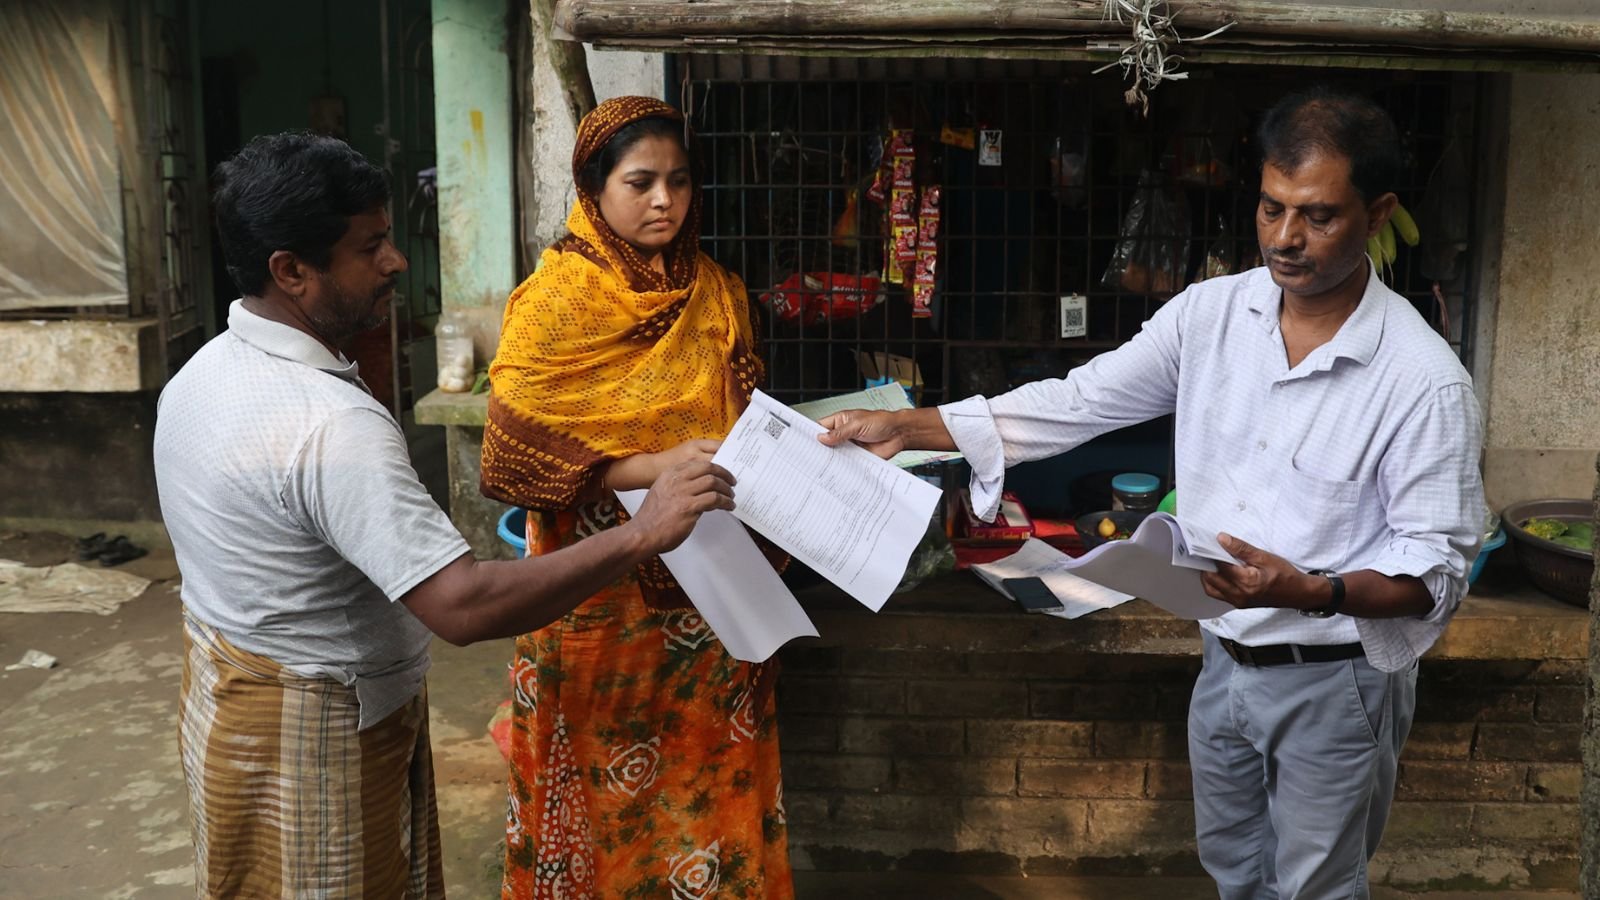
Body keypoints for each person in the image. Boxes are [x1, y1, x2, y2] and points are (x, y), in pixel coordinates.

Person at [820, 87, 1484, 898]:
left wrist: (1312, 590)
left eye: (1319, 216)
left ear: (1378, 214)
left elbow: (1435, 570)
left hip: (1335, 679)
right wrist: (911, 426)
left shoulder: (1421, 380)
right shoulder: (1210, 316)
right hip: (1224, 661)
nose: (1285, 238)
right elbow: (1079, 401)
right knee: (1234, 868)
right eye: (1271, 208)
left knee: (1316, 886)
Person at [153, 131, 735, 899]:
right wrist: (645, 531)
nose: (397, 262)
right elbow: (461, 605)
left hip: (230, 700)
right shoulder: (331, 426)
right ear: (290, 271)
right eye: (371, 247)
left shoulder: (201, 373)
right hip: (314, 724)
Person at [480, 96, 792, 899]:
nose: (664, 201)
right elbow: (512, 455)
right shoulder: (556, 302)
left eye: (680, 181)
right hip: (598, 594)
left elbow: (744, 415)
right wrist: (653, 466)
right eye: (640, 182)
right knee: (596, 790)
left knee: (707, 776)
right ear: (594, 189)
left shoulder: (717, 291)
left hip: (711, 597)